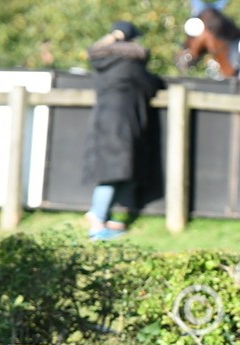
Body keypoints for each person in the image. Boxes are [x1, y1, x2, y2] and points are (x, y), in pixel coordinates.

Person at [82, 21, 166, 241]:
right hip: (125, 125)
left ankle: (111, 221)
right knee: (115, 173)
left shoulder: (101, 62)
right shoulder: (130, 64)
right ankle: (98, 220)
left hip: (103, 122)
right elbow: (152, 85)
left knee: (116, 172)